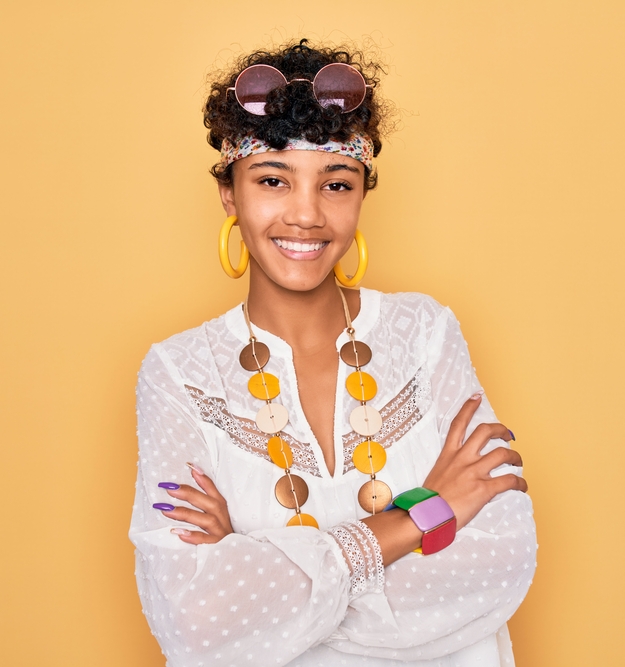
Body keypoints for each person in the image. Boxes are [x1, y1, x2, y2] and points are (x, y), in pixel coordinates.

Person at [129, 39, 537, 666]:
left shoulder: (426, 334)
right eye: (272, 180)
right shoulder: (179, 375)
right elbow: (195, 619)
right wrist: (419, 519)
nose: (306, 215)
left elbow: (501, 557)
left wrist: (261, 569)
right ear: (230, 197)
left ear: (362, 197)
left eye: (336, 184)